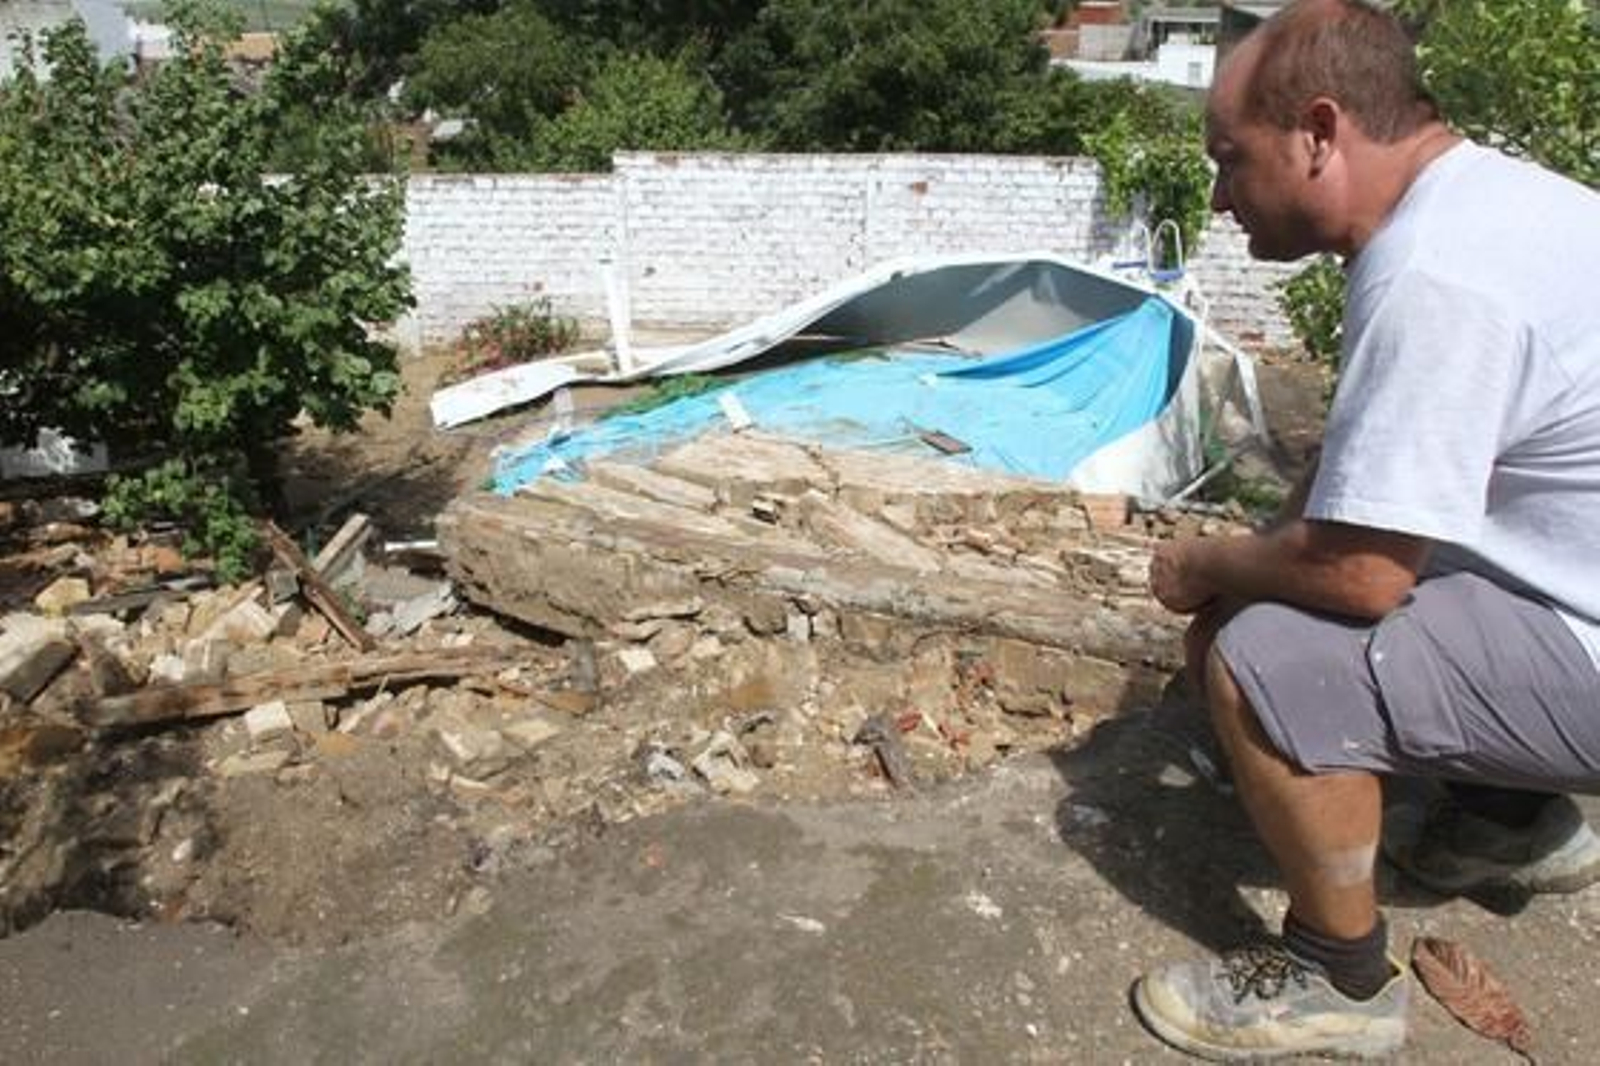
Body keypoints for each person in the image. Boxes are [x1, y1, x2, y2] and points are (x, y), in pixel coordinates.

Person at [1131, 0, 1600, 1058]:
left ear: (1318, 131)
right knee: (1332, 573)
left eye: (1227, 158)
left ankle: (1333, 978)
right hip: (1580, 587)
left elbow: (1358, 572)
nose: (1217, 195)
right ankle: (1510, 823)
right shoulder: (1484, 203)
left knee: (1265, 653)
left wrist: (1206, 562)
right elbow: (1373, 476)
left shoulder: (1433, 273)